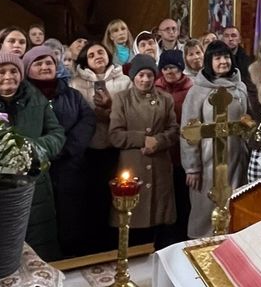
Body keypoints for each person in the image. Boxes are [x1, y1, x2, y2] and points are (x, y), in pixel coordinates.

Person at [0, 51, 64, 261]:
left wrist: (31, 148)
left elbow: (57, 133)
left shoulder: (35, 97)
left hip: (36, 184)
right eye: (1, 71)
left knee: (40, 251)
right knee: (1, 252)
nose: (9, 76)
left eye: (14, 70)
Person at [23, 46, 95, 259]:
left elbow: (87, 119)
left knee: (72, 222)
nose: (45, 67)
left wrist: (66, 148)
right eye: (38, 63)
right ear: (27, 69)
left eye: (49, 63)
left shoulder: (70, 94)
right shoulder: (24, 97)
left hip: (70, 167)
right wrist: (47, 150)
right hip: (36, 170)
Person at [180, 41, 250, 238]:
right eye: (218, 58)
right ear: (209, 61)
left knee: (234, 204)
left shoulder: (240, 87)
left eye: (226, 57)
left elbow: (246, 119)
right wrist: (192, 167)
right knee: (206, 209)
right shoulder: (198, 91)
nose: (223, 61)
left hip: (235, 159)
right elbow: (188, 131)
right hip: (207, 161)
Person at [108, 54, 178, 246]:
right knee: (133, 219)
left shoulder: (165, 99)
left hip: (159, 167)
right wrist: (142, 139)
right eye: (141, 75)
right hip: (133, 165)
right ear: (133, 77)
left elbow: (174, 130)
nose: (145, 79)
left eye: (149, 75)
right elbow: (115, 135)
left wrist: (159, 141)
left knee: (160, 220)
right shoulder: (122, 99)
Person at [70, 41, 131, 253]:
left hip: (116, 147)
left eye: (101, 52)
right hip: (89, 148)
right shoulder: (76, 84)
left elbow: (130, 112)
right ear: (85, 61)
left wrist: (110, 107)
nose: (98, 56)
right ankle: (92, 245)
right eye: (92, 54)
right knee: (92, 197)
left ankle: (116, 242)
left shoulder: (124, 81)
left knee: (117, 196)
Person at [155, 50, 193, 247]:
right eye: (166, 68)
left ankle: (183, 237)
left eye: (174, 67)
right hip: (163, 152)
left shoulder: (191, 89)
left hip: (183, 151)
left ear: (181, 69)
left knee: (183, 197)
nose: (170, 71)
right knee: (165, 198)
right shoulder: (156, 88)